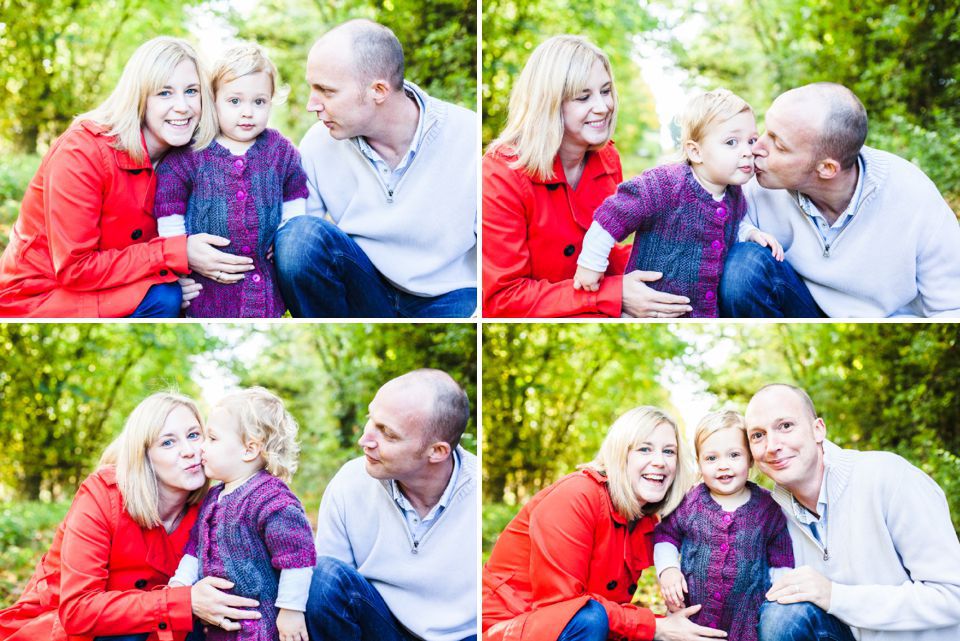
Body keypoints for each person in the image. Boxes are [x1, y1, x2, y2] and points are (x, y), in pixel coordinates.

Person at [0, 37, 257, 318]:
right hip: (41, 295)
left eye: (191, 91)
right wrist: (172, 256)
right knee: (166, 296)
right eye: (164, 93)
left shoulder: (191, 158)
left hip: (114, 281)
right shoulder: (82, 152)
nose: (183, 106)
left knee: (190, 292)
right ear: (139, 97)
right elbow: (75, 268)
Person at [0, 392, 263, 641]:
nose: (189, 450)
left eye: (194, 435)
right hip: (62, 630)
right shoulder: (103, 495)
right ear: (145, 456)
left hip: (159, 632)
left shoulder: (216, 505)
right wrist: (186, 601)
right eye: (168, 442)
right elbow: (77, 611)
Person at [274, 19, 477, 318]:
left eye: (326, 91)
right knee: (296, 237)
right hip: (365, 288)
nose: (311, 104)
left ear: (378, 90)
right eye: (311, 89)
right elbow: (296, 247)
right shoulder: (318, 144)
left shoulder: (467, 134)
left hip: (449, 295)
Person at [482, 35, 694, 318]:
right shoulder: (500, 175)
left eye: (605, 91)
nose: (603, 106)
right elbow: (502, 300)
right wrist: (614, 293)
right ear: (550, 103)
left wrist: (674, 258)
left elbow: (606, 252)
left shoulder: (607, 159)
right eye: (584, 97)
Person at [483, 406, 729, 641]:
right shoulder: (576, 496)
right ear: (620, 455)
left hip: (579, 625)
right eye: (644, 449)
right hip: (508, 626)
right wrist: (655, 627)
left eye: (669, 451)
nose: (660, 462)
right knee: (593, 619)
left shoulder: (644, 519)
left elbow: (616, 611)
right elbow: (564, 610)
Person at [719, 82, 960, 318]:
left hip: (877, 323)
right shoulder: (750, 179)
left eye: (778, 145)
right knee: (743, 266)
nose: (756, 148)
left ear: (826, 168)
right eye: (765, 131)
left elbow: (950, 306)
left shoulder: (912, 194)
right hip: (797, 305)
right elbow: (700, 237)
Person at [743, 383, 960, 641]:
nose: (772, 446)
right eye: (758, 435)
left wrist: (835, 596)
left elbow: (952, 596)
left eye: (786, 426)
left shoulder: (888, 477)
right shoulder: (771, 515)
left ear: (818, 430)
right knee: (781, 615)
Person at [573, 89, 783, 317]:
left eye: (751, 140)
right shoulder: (664, 184)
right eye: (731, 142)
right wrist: (591, 264)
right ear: (696, 151)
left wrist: (750, 233)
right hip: (646, 309)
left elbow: (732, 226)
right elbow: (611, 216)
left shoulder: (734, 194)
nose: (747, 152)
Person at [306, 369, 477, 641]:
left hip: (463, 635)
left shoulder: (478, 490)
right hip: (382, 627)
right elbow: (327, 594)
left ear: (437, 451)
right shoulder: (350, 482)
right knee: (322, 575)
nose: (365, 440)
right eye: (370, 420)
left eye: (387, 433)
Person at [155, 43, 309, 318]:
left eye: (259, 101)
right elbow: (169, 214)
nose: (247, 112)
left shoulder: (280, 150)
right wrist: (176, 271)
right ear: (213, 101)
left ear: (272, 100)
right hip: (207, 290)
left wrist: (288, 232)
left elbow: (295, 194)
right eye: (235, 101)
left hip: (265, 286)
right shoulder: (190, 155)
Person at [168, 388, 316, 641]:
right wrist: (180, 584)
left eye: (212, 439)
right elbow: (195, 547)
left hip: (259, 626)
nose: (201, 447)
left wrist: (290, 610)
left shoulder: (271, 498)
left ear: (249, 449)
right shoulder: (213, 497)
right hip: (217, 626)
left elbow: (297, 557)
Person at [653, 411, 794, 640]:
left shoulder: (767, 508)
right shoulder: (690, 502)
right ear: (699, 463)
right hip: (692, 619)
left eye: (734, 455)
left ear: (750, 458)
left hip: (748, 622)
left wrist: (778, 598)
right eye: (711, 458)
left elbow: (781, 555)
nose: (723, 466)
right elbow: (665, 536)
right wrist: (668, 570)